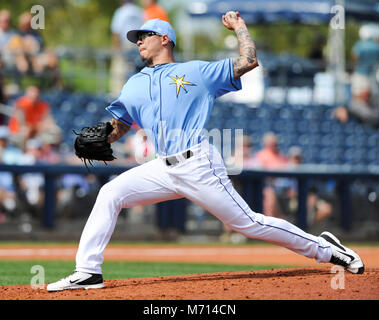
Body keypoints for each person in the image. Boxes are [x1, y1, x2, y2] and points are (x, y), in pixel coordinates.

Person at [47, 13, 364, 292]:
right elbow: (121, 124)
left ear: (164, 39)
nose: (139, 41)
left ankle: (327, 250)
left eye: (145, 35)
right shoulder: (133, 84)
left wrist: (239, 26)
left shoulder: (198, 72)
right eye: (137, 37)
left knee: (248, 224)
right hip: (161, 167)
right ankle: (88, 271)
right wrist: (105, 136)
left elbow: (248, 61)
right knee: (111, 193)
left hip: (197, 163)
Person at [334, 24, 379, 126]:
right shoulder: (376, 46)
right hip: (372, 75)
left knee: (358, 99)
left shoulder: (360, 45)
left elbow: (355, 57)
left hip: (362, 75)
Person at [110, 0, 144, 96]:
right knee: (135, 71)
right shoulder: (139, 11)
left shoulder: (121, 11)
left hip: (124, 45)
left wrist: (116, 49)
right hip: (138, 44)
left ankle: (116, 97)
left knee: (119, 73)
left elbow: (116, 32)